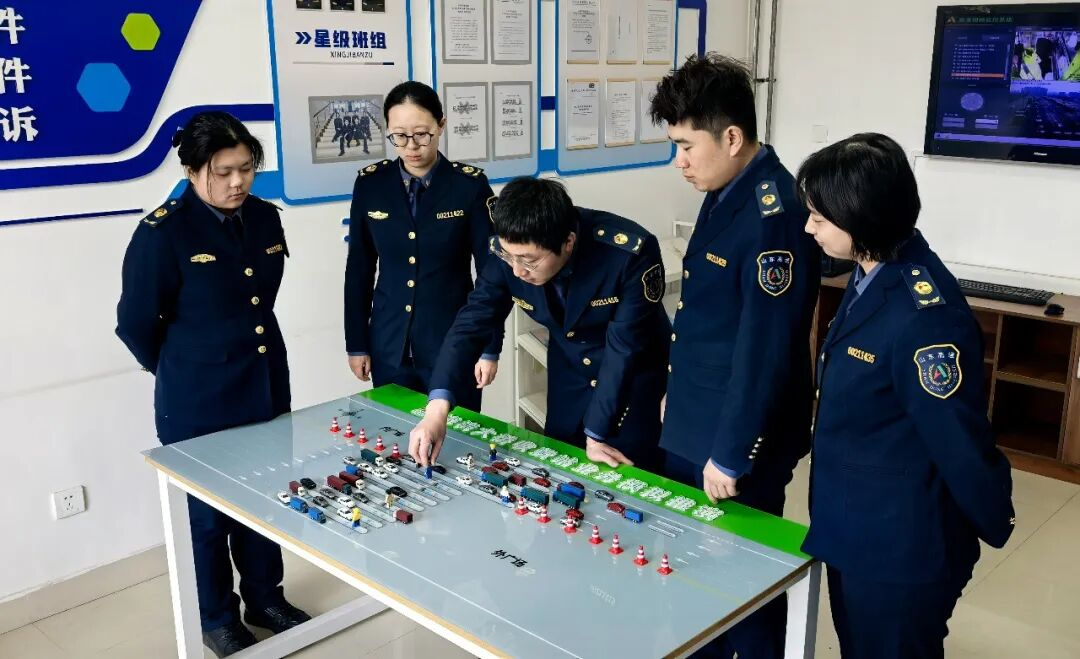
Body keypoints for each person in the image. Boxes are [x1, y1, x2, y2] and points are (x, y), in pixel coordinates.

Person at [800, 133, 1015, 658]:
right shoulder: (870, 273)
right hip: (854, 526)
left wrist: (993, 518)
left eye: (819, 217)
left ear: (860, 217)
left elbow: (959, 442)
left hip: (899, 547)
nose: (808, 227)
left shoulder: (925, 317)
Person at [115, 111, 310, 657]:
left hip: (263, 384)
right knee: (206, 517)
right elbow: (134, 324)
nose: (237, 182)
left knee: (265, 498)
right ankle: (217, 617)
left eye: (246, 168)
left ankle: (265, 599)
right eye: (223, 172)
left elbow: (260, 298)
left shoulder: (265, 218)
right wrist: (181, 367)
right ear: (192, 170)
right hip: (197, 398)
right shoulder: (163, 232)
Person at [648, 53, 820, 658]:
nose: (679, 161)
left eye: (685, 146)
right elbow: (710, 317)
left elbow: (766, 347)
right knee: (693, 569)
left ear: (731, 137)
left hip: (738, 436)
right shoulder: (727, 188)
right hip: (699, 414)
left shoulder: (775, 213)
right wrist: (678, 393)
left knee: (741, 582)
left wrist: (730, 450)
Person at [408, 177, 670, 472]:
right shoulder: (510, 252)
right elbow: (471, 323)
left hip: (632, 382)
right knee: (561, 471)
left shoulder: (628, 254)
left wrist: (596, 434)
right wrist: (436, 410)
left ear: (568, 242)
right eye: (510, 257)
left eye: (529, 261)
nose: (517, 271)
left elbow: (624, 347)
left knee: (632, 475)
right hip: (569, 377)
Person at [344, 81, 501, 411]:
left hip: (454, 344)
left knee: (457, 434)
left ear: (441, 125)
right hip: (389, 345)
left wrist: (490, 347)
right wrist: (356, 343)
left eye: (421, 134)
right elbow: (359, 268)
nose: (411, 146)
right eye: (399, 136)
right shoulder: (371, 185)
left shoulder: (468, 186)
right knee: (393, 432)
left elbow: (492, 273)